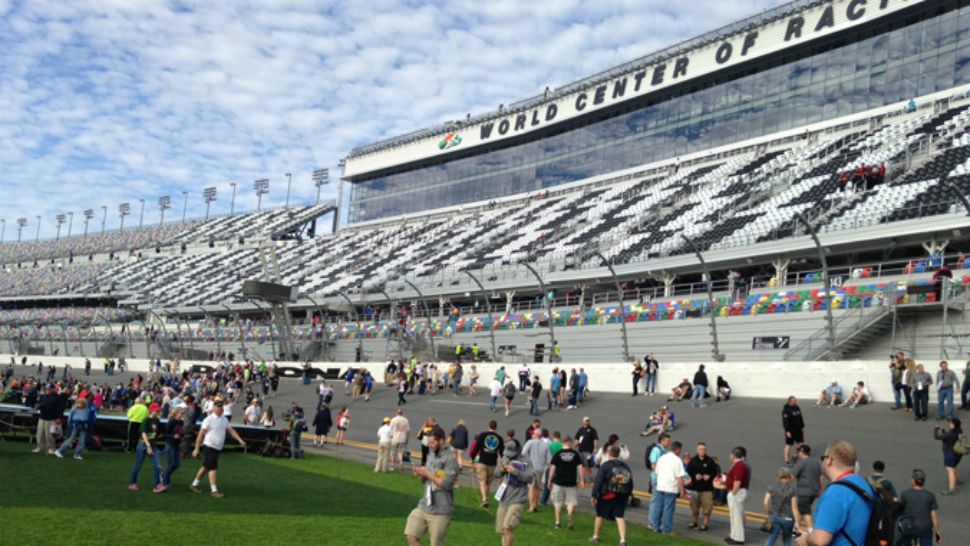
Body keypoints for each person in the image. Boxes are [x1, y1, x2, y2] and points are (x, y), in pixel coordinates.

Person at [794, 441, 872, 546]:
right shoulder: (863, 484)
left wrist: (806, 539)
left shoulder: (836, 492)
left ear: (829, 460)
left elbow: (820, 540)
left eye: (823, 458)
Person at [404, 426, 459, 546]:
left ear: (442, 441)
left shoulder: (450, 459)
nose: (430, 445)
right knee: (411, 535)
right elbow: (426, 481)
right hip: (424, 506)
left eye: (432, 442)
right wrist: (421, 475)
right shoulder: (431, 455)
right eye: (429, 443)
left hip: (441, 511)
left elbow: (446, 484)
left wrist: (427, 473)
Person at [190, 399, 247, 498]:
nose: (221, 410)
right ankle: (214, 490)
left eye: (222, 408)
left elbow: (231, 430)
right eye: (219, 408)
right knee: (213, 467)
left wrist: (240, 440)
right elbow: (200, 434)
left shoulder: (224, 419)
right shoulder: (208, 419)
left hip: (217, 447)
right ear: (214, 408)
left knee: (206, 466)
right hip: (209, 446)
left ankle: (194, 484)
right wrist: (196, 448)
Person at [494, 438, 535, 546]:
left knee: (508, 527)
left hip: (518, 499)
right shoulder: (505, 458)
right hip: (504, 499)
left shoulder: (526, 460)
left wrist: (516, 472)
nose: (510, 456)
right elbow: (496, 474)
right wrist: (502, 470)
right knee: (502, 530)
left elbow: (530, 478)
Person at [590, 445, 632, 545]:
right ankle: (622, 540)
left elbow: (598, 481)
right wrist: (628, 495)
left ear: (609, 454)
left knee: (600, 515)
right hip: (621, 495)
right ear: (619, 454)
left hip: (607, 495)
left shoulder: (606, 465)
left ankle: (596, 536)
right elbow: (630, 483)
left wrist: (594, 495)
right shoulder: (625, 466)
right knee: (619, 516)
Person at [896, 469, 942, 546]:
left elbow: (899, 510)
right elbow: (934, 516)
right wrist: (937, 532)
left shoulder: (905, 494)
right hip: (925, 529)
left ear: (913, 481)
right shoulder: (930, 495)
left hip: (909, 527)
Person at [650, 440, 686, 535]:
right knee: (668, 509)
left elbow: (656, 472)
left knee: (658, 507)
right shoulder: (677, 460)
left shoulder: (662, 458)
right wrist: (682, 490)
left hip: (660, 486)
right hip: (671, 488)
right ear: (677, 450)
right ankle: (666, 530)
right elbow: (679, 477)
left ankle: (656, 527)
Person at [548, 436, 584, 530]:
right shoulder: (575, 454)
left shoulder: (558, 454)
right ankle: (569, 515)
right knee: (571, 501)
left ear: (563, 442)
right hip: (571, 482)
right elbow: (580, 467)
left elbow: (552, 468)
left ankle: (557, 522)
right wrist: (582, 479)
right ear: (570, 442)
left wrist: (549, 480)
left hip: (558, 482)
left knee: (557, 502)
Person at [129, 403, 164, 493]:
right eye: (156, 410)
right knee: (138, 465)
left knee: (158, 464)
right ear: (151, 411)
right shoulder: (146, 420)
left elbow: (160, 430)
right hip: (143, 445)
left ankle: (157, 485)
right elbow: (143, 434)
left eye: (158, 410)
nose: (158, 411)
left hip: (152, 444)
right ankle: (132, 483)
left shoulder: (157, 420)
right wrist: (148, 446)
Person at [470, 420, 505, 508]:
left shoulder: (483, 435)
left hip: (482, 461)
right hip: (492, 463)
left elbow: (477, 447)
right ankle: (485, 499)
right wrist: (502, 461)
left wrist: (473, 457)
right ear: (496, 427)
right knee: (488, 482)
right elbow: (502, 452)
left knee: (482, 481)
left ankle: (484, 499)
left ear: (488, 426)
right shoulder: (499, 438)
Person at [686, 442, 719, 531]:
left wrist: (709, 476)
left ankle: (705, 523)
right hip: (695, 488)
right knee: (694, 507)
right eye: (701, 449)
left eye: (704, 449)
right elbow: (689, 470)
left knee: (707, 507)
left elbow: (715, 472)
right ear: (697, 450)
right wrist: (695, 475)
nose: (703, 451)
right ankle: (694, 522)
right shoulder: (693, 460)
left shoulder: (710, 461)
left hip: (707, 489)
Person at [763, 467, 798, 546]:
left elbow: (765, 502)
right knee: (787, 540)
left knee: (771, 538)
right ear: (789, 476)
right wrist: (797, 523)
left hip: (775, 516)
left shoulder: (772, 486)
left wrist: (769, 513)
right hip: (788, 519)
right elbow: (794, 507)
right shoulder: (793, 489)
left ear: (779, 476)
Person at [792, 444, 823, 530]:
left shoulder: (801, 462)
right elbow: (821, 478)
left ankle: (810, 530)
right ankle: (795, 528)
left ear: (802, 452)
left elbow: (792, 476)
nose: (798, 453)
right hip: (814, 492)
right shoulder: (817, 463)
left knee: (806, 512)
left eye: (798, 452)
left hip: (803, 492)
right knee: (800, 509)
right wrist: (820, 490)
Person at [725, 446, 750, 545]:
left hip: (737, 492)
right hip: (738, 491)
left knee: (737, 516)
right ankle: (733, 535)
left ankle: (739, 538)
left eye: (731, 454)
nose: (730, 456)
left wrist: (733, 492)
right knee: (733, 515)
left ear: (734, 455)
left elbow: (737, 480)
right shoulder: (739, 464)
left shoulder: (739, 465)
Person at [522, 428, 550, 513]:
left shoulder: (530, 442)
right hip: (540, 468)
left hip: (531, 468)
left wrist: (526, 462)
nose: (532, 434)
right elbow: (549, 459)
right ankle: (535, 505)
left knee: (531, 487)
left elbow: (523, 453)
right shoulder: (546, 445)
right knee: (537, 487)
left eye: (533, 433)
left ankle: (531, 507)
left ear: (537, 435)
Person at [934, 417, 963, 495]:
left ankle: (951, 489)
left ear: (954, 425)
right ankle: (956, 480)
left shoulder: (950, 433)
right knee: (954, 466)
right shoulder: (959, 431)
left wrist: (936, 429)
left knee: (950, 470)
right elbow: (947, 437)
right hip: (958, 453)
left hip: (950, 454)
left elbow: (937, 437)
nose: (949, 424)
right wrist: (943, 431)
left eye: (951, 423)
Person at [160, 405, 185, 490]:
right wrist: (173, 436)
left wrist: (182, 435)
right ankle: (165, 482)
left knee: (177, 464)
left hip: (177, 445)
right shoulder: (171, 422)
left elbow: (181, 433)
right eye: (181, 413)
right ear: (176, 413)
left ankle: (163, 475)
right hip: (170, 445)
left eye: (183, 413)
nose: (182, 414)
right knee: (171, 464)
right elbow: (165, 434)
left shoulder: (181, 422)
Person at [34, 385, 64, 455]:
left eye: (49, 389)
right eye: (47, 388)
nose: (47, 390)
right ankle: (40, 447)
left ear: (53, 389)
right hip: (42, 417)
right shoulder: (44, 396)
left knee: (49, 436)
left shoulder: (58, 397)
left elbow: (61, 409)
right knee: (39, 434)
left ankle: (51, 448)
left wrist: (59, 418)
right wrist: (39, 406)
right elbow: (40, 404)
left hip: (51, 418)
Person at [575, 416, 599, 484]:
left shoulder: (592, 430)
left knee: (588, 465)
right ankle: (583, 479)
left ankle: (590, 478)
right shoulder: (580, 430)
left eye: (588, 420)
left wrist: (595, 448)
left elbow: (595, 439)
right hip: (581, 450)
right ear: (583, 422)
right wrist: (574, 446)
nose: (587, 422)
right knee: (582, 465)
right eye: (586, 420)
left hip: (589, 451)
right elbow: (577, 439)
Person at [782, 396, 805, 465]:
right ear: (790, 401)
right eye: (794, 400)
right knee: (788, 445)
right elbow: (785, 421)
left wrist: (802, 426)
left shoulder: (797, 407)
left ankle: (795, 456)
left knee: (800, 443)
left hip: (798, 429)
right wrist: (787, 431)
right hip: (791, 430)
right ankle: (787, 460)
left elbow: (800, 417)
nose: (796, 401)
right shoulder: (786, 410)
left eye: (796, 400)